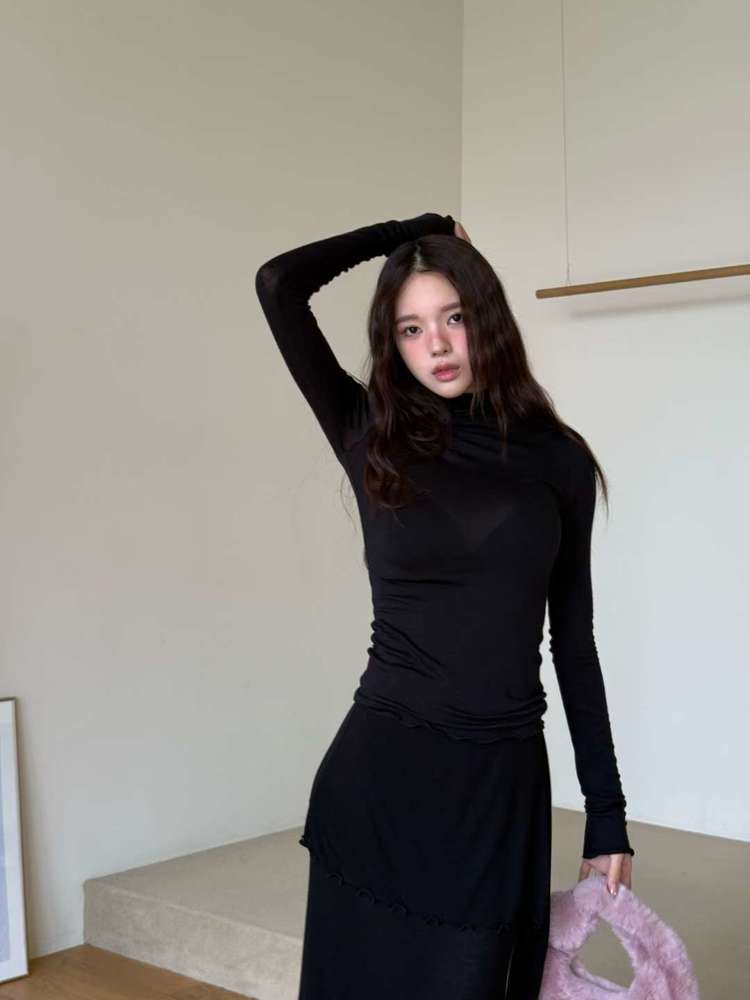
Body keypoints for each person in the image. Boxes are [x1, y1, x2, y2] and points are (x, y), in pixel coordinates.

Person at [254, 212, 635, 999]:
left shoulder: (557, 459)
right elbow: (279, 285)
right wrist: (414, 229)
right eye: (411, 328)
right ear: (392, 343)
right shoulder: (368, 431)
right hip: (380, 785)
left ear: (486, 318)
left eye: (454, 317)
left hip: (501, 793)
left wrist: (607, 813)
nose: (436, 345)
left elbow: (574, 641)